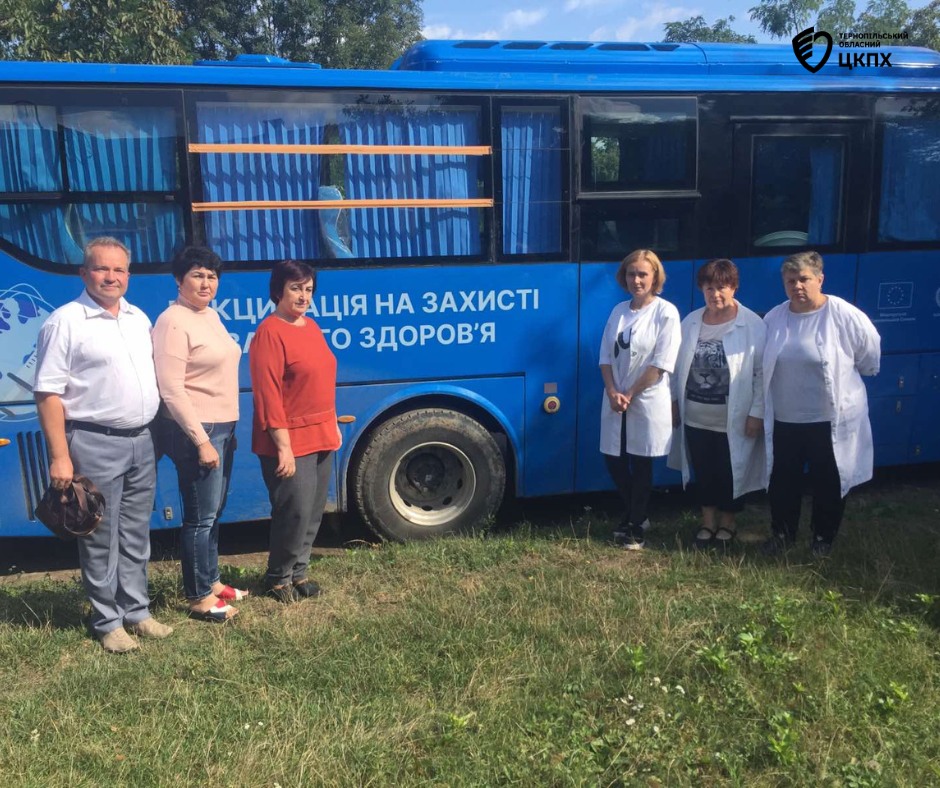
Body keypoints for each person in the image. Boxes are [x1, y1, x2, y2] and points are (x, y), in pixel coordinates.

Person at [33, 237, 173, 653]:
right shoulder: (66, 321)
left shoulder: (137, 318)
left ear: (128, 275)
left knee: (134, 532)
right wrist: (60, 456)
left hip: (140, 442)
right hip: (93, 442)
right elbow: (47, 394)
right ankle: (107, 620)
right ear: (84, 273)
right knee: (98, 535)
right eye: (101, 269)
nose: (111, 277)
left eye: (119, 270)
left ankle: (137, 611)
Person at [762, 251, 881, 557]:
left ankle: (822, 538)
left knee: (827, 481)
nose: (797, 286)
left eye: (804, 279)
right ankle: (782, 534)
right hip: (786, 418)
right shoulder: (775, 317)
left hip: (829, 419)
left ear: (820, 279)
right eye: (790, 281)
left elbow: (869, 356)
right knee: (782, 481)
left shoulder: (842, 314)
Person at [152, 246, 246, 623]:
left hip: (223, 426)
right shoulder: (174, 321)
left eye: (211, 275)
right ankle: (198, 599)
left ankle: (212, 582)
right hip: (199, 431)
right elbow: (171, 389)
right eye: (197, 274)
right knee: (199, 518)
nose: (206, 282)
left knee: (214, 513)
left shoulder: (209, 316)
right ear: (179, 280)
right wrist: (201, 440)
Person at [249, 260, 341, 601]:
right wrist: (282, 446)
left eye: (308, 290)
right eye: (295, 288)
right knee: (295, 510)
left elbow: (322, 380)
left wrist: (331, 422)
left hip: (320, 432)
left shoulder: (311, 326)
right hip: (287, 439)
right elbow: (268, 394)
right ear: (278, 290)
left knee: (314, 510)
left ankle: (298, 573)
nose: (303, 296)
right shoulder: (269, 332)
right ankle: (277, 577)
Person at [668, 259, 767, 548]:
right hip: (696, 416)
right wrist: (674, 403)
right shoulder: (691, 321)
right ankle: (707, 522)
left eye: (722, 287)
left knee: (731, 470)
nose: (715, 294)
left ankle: (728, 524)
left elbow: (762, 373)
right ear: (702, 289)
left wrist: (756, 413)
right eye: (709, 288)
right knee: (704, 469)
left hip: (733, 417)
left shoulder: (751, 324)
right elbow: (675, 368)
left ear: (734, 288)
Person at [600, 249, 681, 550]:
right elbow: (605, 356)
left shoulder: (666, 312)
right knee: (614, 458)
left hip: (646, 398)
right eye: (632, 273)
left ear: (655, 277)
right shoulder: (619, 310)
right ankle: (636, 513)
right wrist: (612, 391)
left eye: (643, 274)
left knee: (642, 461)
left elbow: (660, 363)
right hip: (615, 398)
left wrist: (630, 393)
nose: (637, 280)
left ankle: (635, 525)